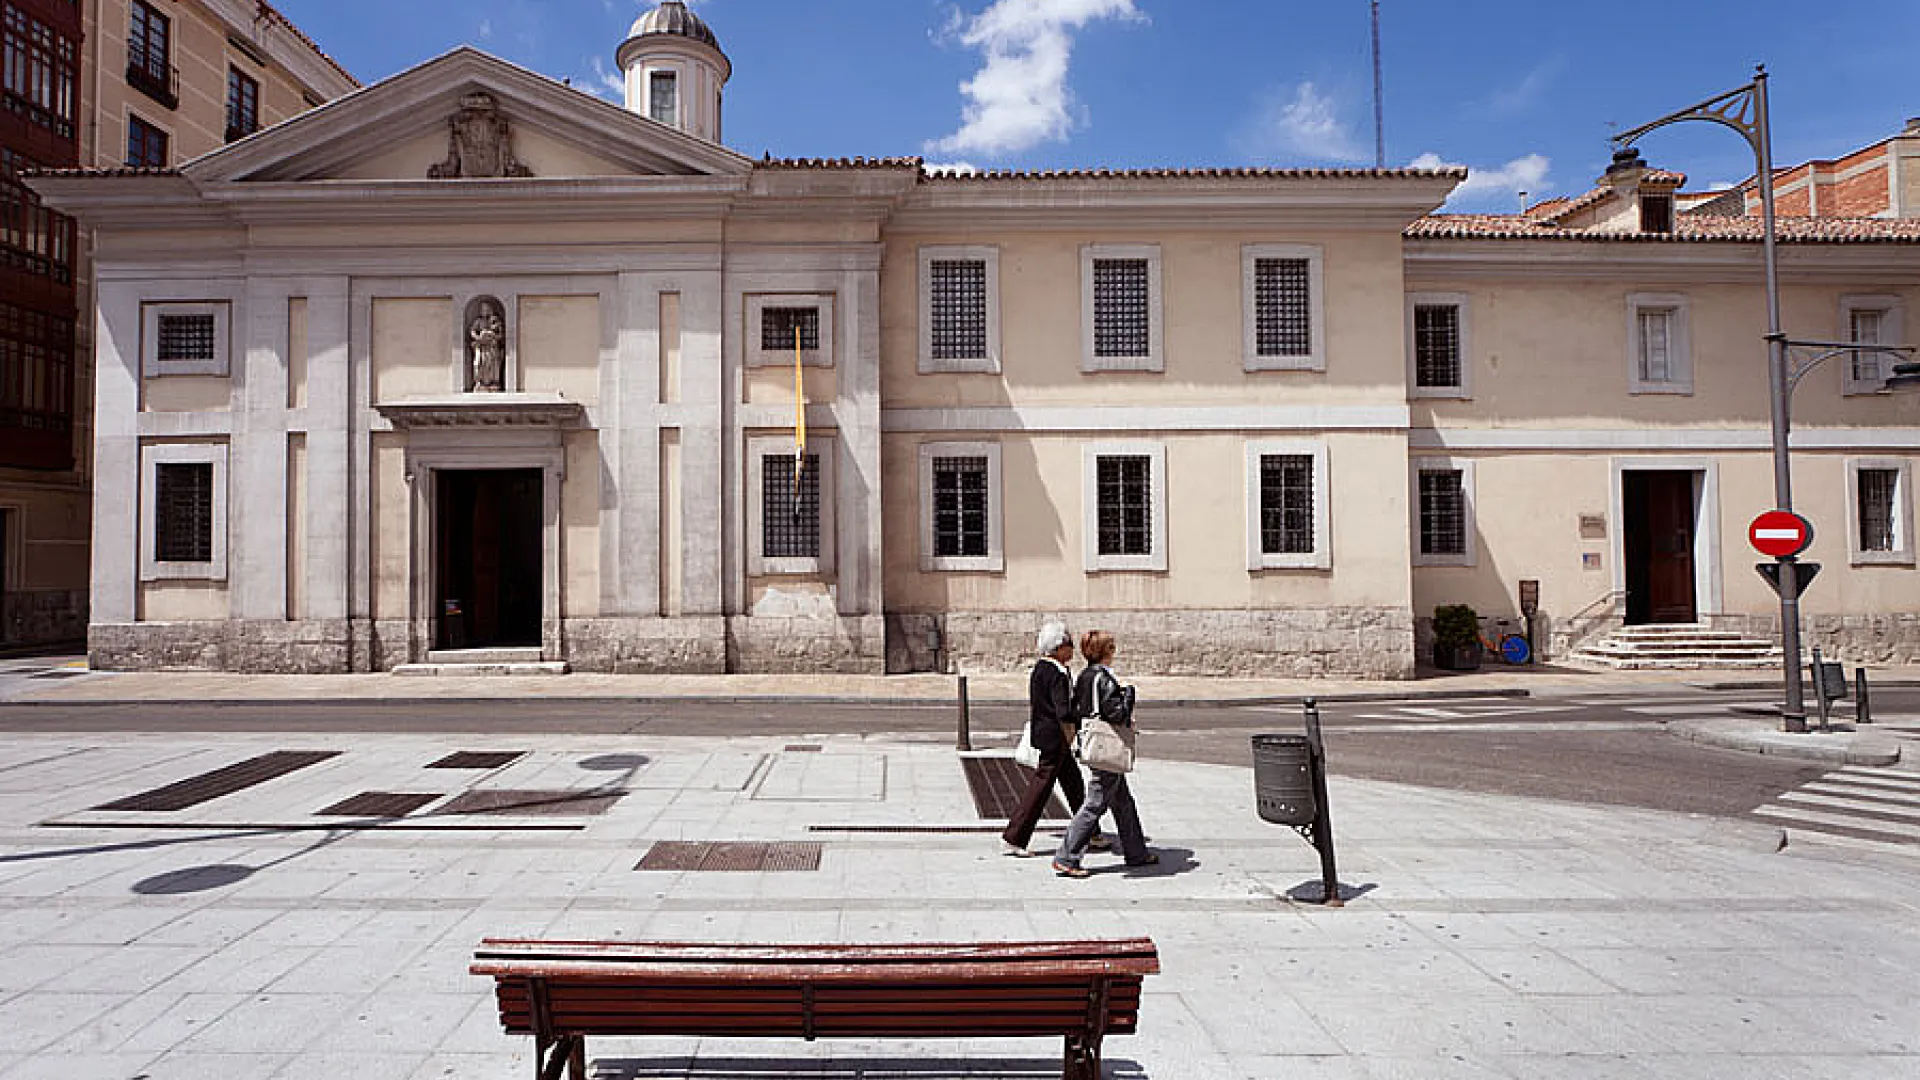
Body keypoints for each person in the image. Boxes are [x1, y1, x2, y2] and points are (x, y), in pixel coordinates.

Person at [1052, 630, 1156, 878]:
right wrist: (1129, 694)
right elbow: (1117, 714)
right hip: (1107, 749)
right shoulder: (1104, 679)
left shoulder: (1084, 676)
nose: (1114, 651)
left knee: (1123, 802)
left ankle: (1137, 852)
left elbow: (1078, 710)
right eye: (1112, 647)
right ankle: (1066, 857)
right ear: (1106, 652)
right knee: (1095, 804)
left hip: (1094, 744)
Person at [1001, 621, 1105, 857]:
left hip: (1048, 737)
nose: (1072, 650)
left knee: (1074, 784)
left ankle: (1091, 832)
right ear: (1058, 648)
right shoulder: (1057, 674)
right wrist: (1083, 714)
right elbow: (1063, 711)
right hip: (1055, 740)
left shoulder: (1041, 668)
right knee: (1040, 789)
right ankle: (1013, 837)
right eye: (1068, 644)